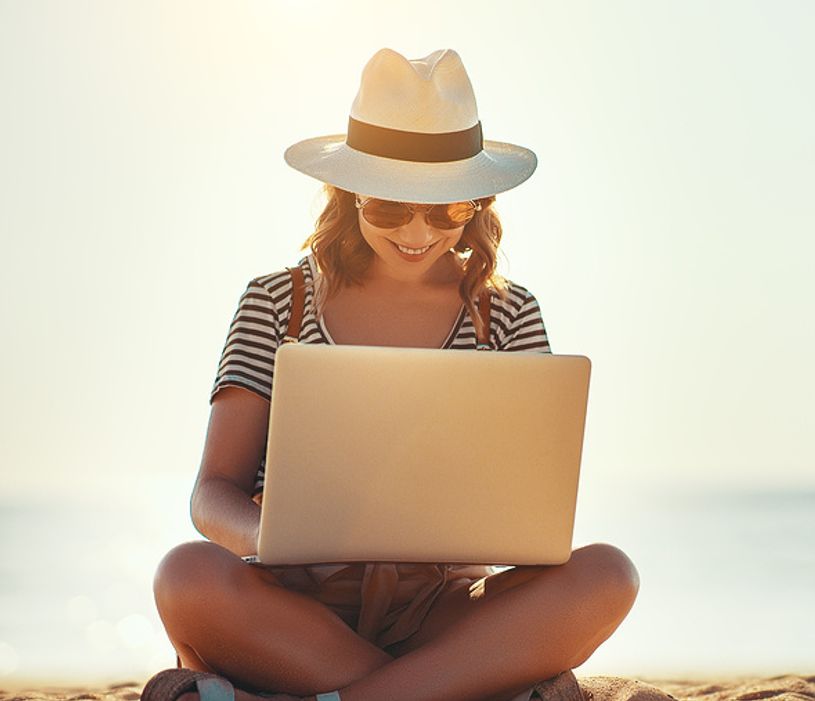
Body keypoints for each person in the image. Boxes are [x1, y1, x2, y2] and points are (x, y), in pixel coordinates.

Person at [142, 48, 641, 701]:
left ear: (477, 202)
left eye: (444, 210)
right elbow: (212, 492)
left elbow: (532, 513)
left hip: (445, 609)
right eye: (389, 206)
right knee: (185, 574)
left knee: (608, 575)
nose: (416, 231)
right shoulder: (275, 299)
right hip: (295, 608)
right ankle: (449, 687)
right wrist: (265, 536)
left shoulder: (508, 313)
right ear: (347, 192)